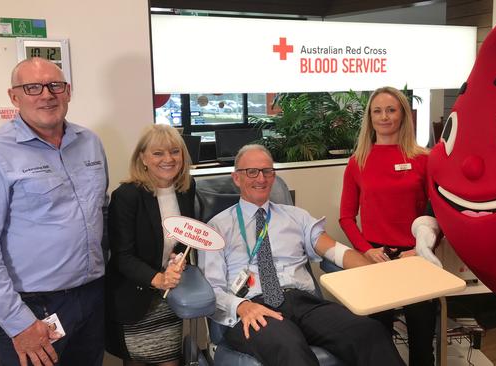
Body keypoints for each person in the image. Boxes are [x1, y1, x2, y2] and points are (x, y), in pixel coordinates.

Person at [199, 144, 405, 366]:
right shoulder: (216, 228)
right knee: (290, 347)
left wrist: (379, 272)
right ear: (236, 178)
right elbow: (212, 289)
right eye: (252, 172)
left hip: (303, 302)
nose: (261, 178)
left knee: (368, 331)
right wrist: (241, 306)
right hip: (254, 307)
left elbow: (335, 250)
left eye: (267, 171)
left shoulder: (296, 217)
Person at [0, 57, 108, 366]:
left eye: (55, 85)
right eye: (32, 87)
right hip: (32, 306)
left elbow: (101, 209)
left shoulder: (89, 143)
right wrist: (17, 321)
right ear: (14, 97)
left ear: (68, 91)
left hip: (90, 296)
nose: (47, 95)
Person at [339, 86, 437, 366]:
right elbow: (346, 217)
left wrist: (423, 249)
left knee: (422, 342)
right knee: (378, 342)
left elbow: (436, 215)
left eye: (391, 110)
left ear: (403, 115)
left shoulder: (423, 159)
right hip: (376, 259)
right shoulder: (357, 161)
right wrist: (366, 250)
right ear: (369, 118)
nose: (384, 117)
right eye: (377, 111)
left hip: (415, 258)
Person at [105, 124, 196, 366]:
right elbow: (122, 256)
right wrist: (158, 278)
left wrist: (178, 260)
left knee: (170, 359)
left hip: (169, 298)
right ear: (142, 158)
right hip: (135, 299)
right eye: (158, 153)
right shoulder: (127, 196)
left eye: (175, 152)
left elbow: (182, 240)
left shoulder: (186, 189)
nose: (168, 159)